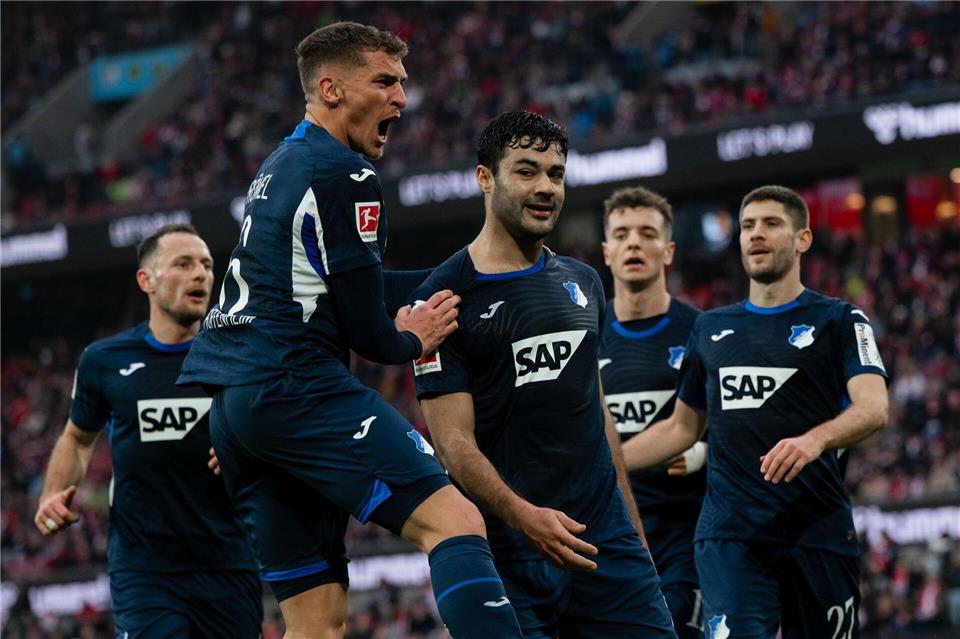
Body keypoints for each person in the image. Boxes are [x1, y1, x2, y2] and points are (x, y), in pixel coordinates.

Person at [177, 22, 523, 639]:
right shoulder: (347, 173)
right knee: (455, 523)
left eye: (403, 83)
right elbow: (371, 333)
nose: (401, 99)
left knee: (317, 622)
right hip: (298, 387)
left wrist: (471, 280)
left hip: (236, 411)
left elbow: (351, 286)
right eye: (385, 81)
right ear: (331, 89)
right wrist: (415, 339)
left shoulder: (282, 163)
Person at [411, 111, 676, 638]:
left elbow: (597, 414)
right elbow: (453, 443)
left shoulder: (583, 282)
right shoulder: (441, 300)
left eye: (555, 174)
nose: (545, 188)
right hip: (514, 551)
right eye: (527, 171)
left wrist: (633, 529)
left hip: (607, 545)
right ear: (485, 178)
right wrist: (522, 515)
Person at [622, 185, 889, 638]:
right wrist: (609, 461)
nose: (756, 234)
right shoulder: (710, 328)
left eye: (770, 224)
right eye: (747, 226)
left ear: (802, 238)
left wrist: (815, 438)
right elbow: (682, 427)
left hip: (817, 531)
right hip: (730, 537)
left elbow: (874, 407)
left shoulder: (841, 321)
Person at [34, 224, 262, 638]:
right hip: (144, 569)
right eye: (184, 264)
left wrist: (253, 446)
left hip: (230, 562)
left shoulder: (241, 354)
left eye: (208, 265)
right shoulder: (104, 361)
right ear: (147, 280)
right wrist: (53, 492)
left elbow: (278, 434)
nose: (201, 274)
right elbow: (77, 438)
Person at [598, 186, 706, 638]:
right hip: (604, 530)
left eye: (647, 233)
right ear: (606, 252)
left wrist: (704, 453)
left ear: (669, 250)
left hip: (686, 532)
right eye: (621, 235)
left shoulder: (702, 330)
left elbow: (741, 426)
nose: (634, 244)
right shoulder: (581, 336)